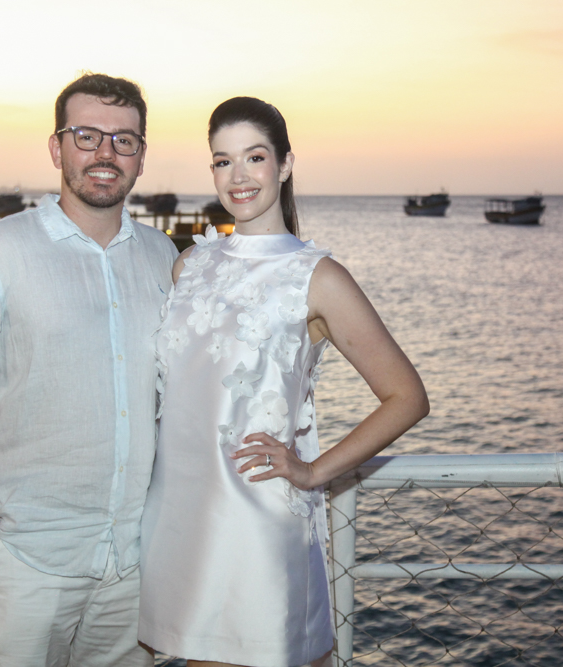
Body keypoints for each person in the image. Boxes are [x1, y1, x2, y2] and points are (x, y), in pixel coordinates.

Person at [138, 97, 430, 667]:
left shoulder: (317, 277)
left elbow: (407, 397)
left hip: (255, 522)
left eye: (254, 157)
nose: (238, 177)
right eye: (223, 162)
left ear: (285, 164)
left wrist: (314, 471)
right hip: (175, 519)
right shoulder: (190, 265)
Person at [0, 73, 177, 666]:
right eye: (87, 136)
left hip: (133, 564)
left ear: (140, 158)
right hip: (26, 560)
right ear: (57, 147)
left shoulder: (163, 257)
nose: (105, 154)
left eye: (124, 140)